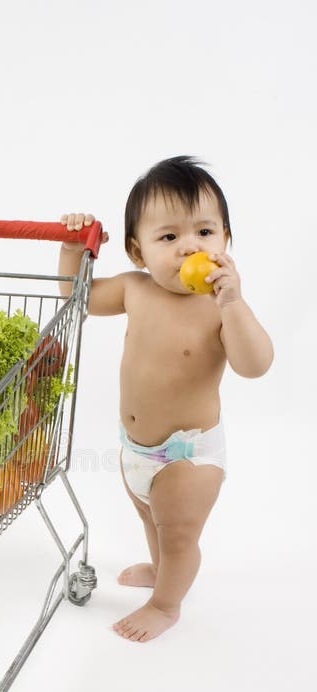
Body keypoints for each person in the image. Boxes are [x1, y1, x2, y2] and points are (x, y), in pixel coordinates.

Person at [59, 156, 273, 642]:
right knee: (149, 516)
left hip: (189, 455)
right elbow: (79, 299)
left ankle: (166, 603)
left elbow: (255, 365)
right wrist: (73, 249)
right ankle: (161, 568)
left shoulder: (219, 309)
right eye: (169, 237)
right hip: (136, 449)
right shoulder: (135, 289)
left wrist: (233, 305)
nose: (189, 248)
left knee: (178, 533)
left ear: (226, 240)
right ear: (138, 252)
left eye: (204, 232)